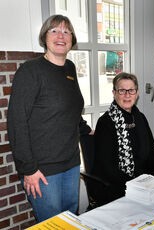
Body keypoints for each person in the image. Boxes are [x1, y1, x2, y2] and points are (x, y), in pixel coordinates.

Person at [7, 15, 91, 222]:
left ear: (72, 38)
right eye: (54, 31)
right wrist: (29, 169)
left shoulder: (70, 68)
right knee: (52, 223)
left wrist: (87, 129)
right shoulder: (31, 70)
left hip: (71, 163)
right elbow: (17, 122)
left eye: (66, 31)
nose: (61, 36)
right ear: (44, 37)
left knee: (71, 218)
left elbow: (71, 109)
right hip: (42, 170)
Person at [91, 72, 154, 205]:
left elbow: (152, 151)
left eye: (131, 90)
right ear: (114, 93)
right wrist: (135, 186)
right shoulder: (106, 122)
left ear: (137, 93)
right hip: (115, 186)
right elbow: (107, 167)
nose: (127, 95)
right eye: (122, 91)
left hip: (142, 182)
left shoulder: (140, 117)